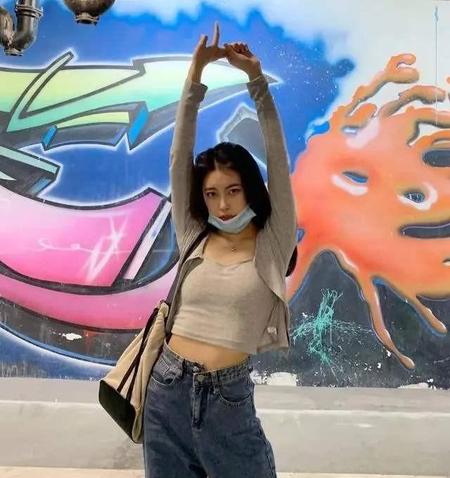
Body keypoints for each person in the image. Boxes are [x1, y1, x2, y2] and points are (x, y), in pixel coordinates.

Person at [143, 23, 297, 478]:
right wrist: (194, 77)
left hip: (228, 401)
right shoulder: (194, 233)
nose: (223, 205)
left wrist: (257, 82)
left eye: (233, 191)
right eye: (212, 194)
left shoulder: (273, 241)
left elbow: (279, 160)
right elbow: (179, 158)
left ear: (250, 189)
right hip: (166, 390)